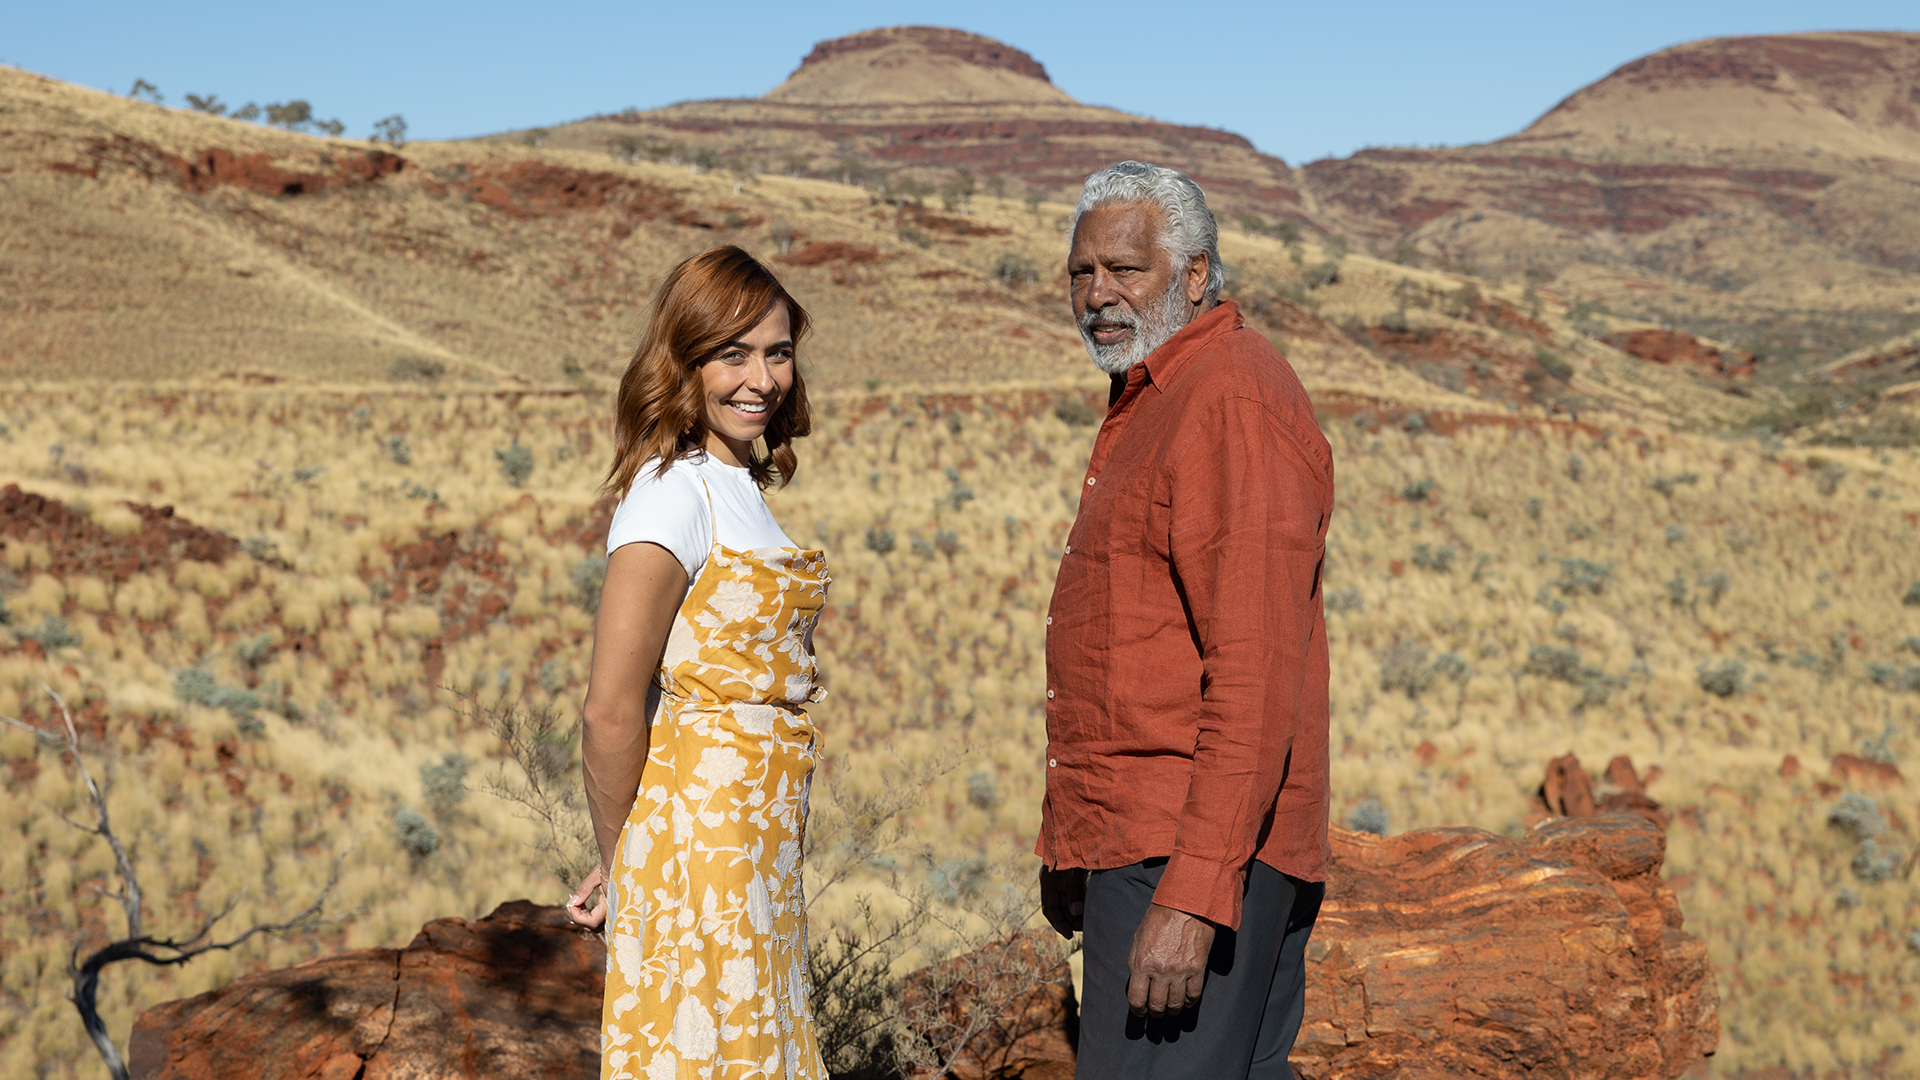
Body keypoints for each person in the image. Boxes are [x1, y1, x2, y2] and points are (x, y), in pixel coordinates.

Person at [1036, 161, 1333, 1079]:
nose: (1099, 296)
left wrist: (1197, 895)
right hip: (1143, 844)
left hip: (1192, 858)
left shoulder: (1228, 399)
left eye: (1126, 270)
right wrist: (1071, 842)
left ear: (1195, 275)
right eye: (1082, 273)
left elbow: (1253, 671)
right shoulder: (1161, 396)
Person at [564, 245, 831, 1080]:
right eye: (732, 354)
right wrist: (627, 861)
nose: (761, 378)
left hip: (754, 841)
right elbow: (610, 708)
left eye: (777, 352)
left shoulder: (736, 480)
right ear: (683, 362)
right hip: (699, 848)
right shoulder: (671, 493)